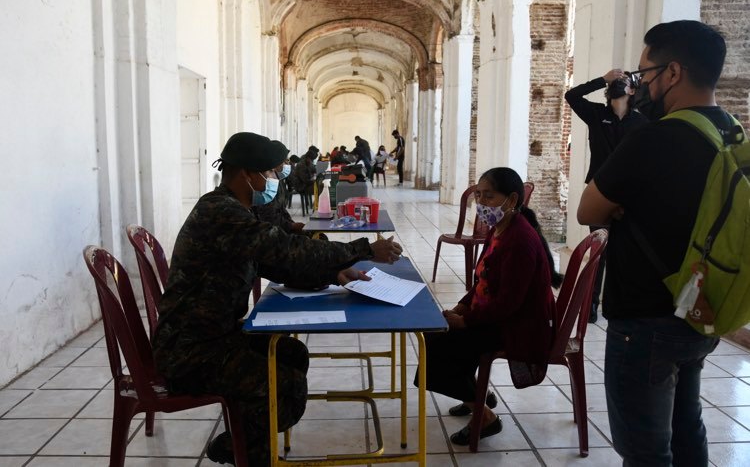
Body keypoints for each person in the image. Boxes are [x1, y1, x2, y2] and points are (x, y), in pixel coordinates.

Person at [152, 132, 403, 466]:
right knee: (286, 384)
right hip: (190, 351)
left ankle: (243, 440)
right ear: (247, 174)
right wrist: (363, 249)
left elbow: (274, 262)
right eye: (269, 174)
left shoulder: (235, 209)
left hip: (215, 336)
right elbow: (286, 251)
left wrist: (335, 274)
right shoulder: (220, 213)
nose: (273, 180)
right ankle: (251, 450)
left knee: (292, 353)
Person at [577, 20, 727, 466]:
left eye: (645, 74)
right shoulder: (732, 133)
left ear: (673, 73)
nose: (640, 85)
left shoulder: (654, 138)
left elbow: (589, 211)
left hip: (645, 318)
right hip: (701, 310)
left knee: (645, 449)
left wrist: (622, 204)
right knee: (686, 430)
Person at [418, 167, 562, 446]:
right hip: (499, 317)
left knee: (436, 345)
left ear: (511, 199)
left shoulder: (519, 241)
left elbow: (508, 304)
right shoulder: (500, 230)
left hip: (517, 325)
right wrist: (463, 306)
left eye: (489, 196)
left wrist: (466, 321)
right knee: (439, 332)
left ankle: (484, 416)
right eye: (479, 196)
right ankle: (473, 393)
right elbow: (483, 279)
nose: (482, 204)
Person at [565, 69, 648, 322]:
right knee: (599, 248)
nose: (617, 85)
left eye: (622, 82)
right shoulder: (597, 115)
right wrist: (603, 78)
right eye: (614, 83)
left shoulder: (641, 123)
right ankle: (590, 305)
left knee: (622, 252)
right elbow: (572, 95)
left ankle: (618, 302)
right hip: (598, 192)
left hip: (628, 196)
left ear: (632, 90)